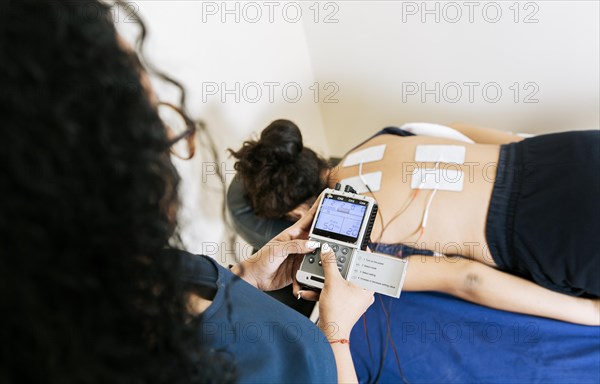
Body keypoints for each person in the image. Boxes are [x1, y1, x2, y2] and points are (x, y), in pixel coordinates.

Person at [0, 1, 374, 382]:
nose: (170, 137)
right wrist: (337, 332)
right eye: (147, 119)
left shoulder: (140, 269)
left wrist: (247, 277)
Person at [229, 120, 600, 325]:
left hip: (547, 232)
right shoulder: (390, 133)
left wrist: (590, 313)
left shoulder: (354, 244)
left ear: (293, 214)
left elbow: (466, 279)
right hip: (566, 154)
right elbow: (497, 137)